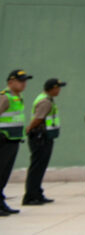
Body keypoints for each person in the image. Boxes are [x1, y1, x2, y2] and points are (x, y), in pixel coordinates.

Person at [23, 78, 66, 205]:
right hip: (40, 137)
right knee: (37, 167)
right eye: (58, 87)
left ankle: (37, 193)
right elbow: (38, 119)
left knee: (40, 167)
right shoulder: (45, 101)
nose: (59, 90)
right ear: (52, 88)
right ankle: (30, 196)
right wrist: (29, 128)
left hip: (44, 136)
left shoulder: (48, 99)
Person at [0, 69, 31, 216]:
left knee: (4, 174)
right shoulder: (5, 97)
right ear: (11, 82)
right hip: (3, 139)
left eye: (25, 81)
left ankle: (1, 202)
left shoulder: (17, 97)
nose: (24, 84)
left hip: (13, 139)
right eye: (21, 81)